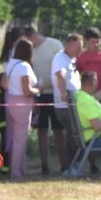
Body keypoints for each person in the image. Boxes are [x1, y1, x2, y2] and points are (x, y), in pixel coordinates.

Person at [24, 25, 65, 175]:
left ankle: (64, 163)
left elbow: (62, 66)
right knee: (42, 130)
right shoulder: (29, 49)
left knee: (59, 130)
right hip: (39, 94)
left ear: (34, 36)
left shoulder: (54, 44)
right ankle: (44, 164)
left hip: (55, 93)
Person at [3, 38, 39, 179]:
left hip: (10, 99)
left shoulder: (11, 64)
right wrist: (38, 89)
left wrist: (14, 87)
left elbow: (4, 84)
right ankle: (16, 172)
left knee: (14, 137)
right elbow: (27, 90)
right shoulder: (25, 66)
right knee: (20, 139)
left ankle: (20, 168)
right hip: (22, 103)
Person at [51, 33, 84, 171]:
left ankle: (73, 165)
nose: (80, 51)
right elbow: (60, 76)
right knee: (73, 136)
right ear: (68, 46)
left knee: (74, 135)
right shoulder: (60, 58)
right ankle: (69, 166)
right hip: (66, 106)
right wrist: (64, 94)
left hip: (72, 104)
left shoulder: (71, 59)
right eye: (78, 47)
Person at [0, 27, 23, 177]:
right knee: (11, 135)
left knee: (6, 135)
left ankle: (6, 167)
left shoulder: (8, 54)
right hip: (12, 96)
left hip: (5, 98)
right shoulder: (16, 56)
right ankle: (10, 167)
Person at [76, 27, 101, 92]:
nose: (96, 45)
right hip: (86, 97)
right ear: (86, 41)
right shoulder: (79, 57)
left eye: (98, 41)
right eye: (93, 42)